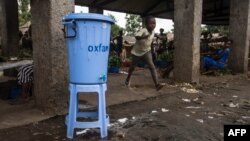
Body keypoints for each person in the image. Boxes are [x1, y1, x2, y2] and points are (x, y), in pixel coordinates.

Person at [125, 16, 165, 91]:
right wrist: (143, 37)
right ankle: (127, 79)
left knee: (152, 67)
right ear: (146, 24)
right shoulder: (143, 30)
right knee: (132, 67)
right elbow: (136, 36)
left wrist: (160, 37)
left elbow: (153, 37)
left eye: (154, 23)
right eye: (151, 23)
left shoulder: (153, 31)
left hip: (146, 51)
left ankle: (157, 85)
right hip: (136, 52)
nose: (153, 25)